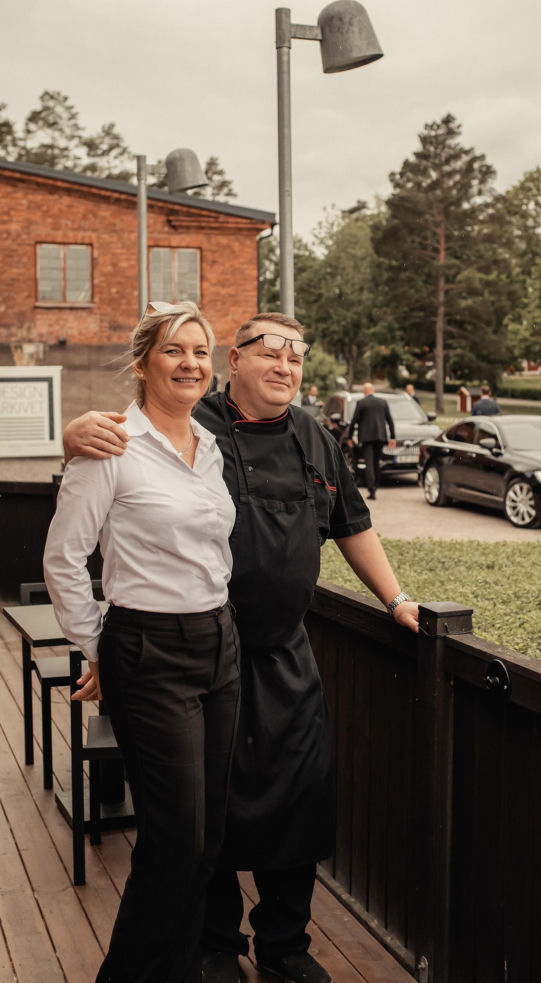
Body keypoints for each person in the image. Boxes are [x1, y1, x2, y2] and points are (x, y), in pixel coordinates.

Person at [63, 311, 419, 983]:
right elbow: (124, 451)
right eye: (270, 352)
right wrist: (69, 434)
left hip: (288, 655)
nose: (285, 366)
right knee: (206, 811)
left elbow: (353, 524)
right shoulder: (197, 425)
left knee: (302, 801)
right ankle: (215, 942)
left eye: (297, 355)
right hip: (202, 652)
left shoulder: (314, 434)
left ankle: (284, 944)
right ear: (235, 359)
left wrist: (396, 599)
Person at [45, 301, 241, 983]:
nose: (191, 363)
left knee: (209, 837)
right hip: (148, 648)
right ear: (141, 363)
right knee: (175, 841)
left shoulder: (209, 444)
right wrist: (101, 645)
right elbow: (63, 559)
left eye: (200, 351)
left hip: (219, 642)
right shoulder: (110, 444)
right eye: (174, 350)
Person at [347, 382, 396, 500]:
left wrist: (349, 437)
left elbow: (354, 421)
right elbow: (390, 421)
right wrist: (393, 437)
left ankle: (372, 490)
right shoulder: (382, 402)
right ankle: (376, 485)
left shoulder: (361, 403)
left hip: (366, 438)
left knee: (369, 463)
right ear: (372, 390)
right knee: (376, 462)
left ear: (364, 391)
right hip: (380, 437)